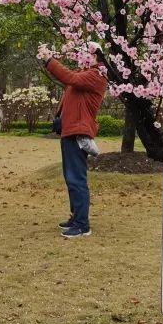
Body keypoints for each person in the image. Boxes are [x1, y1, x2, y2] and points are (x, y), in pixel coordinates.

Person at [41, 54, 108, 238]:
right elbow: (71, 85)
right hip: (70, 131)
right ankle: (76, 217)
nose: (85, 57)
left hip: (77, 133)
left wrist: (49, 61)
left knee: (76, 179)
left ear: (99, 58)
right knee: (71, 178)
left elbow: (69, 78)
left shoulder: (97, 75)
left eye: (91, 54)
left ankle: (82, 225)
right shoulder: (87, 74)